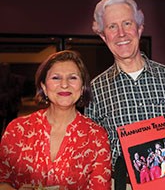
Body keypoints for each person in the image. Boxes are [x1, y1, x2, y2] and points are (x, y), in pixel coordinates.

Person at [84, 0, 165, 188]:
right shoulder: (95, 88)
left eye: (127, 23)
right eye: (112, 26)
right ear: (103, 36)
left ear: (140, 28)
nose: (121, 33)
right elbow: (92, 148)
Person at [0, 50, 112, 189]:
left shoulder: (96, 137)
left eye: (73, 78)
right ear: (44, 87)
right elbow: (3, 180)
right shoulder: (17, 130)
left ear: (82, 87)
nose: (64, 84)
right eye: (56, 78)